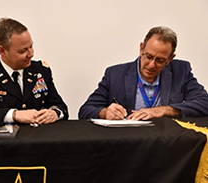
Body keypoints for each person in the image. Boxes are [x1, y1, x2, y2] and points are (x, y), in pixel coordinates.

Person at [79, 26, 208, 121]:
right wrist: (105, 112)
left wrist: (165, 110)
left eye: (160, 60)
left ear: (170, 59)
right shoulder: (115, 74)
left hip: (169, 144)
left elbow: (204, 103)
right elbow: (85, 110)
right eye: (149, 56)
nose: (151, 65)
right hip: (128, 143)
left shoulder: (181, 71)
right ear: (141, 48)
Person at [0, 18, 68, 126]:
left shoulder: (40, 70)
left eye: (31, 46)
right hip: (1, 142)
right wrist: (13, 115)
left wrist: (54, 113)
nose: (31, 53)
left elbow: (60, 106)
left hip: (37, 140)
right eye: (23, 51)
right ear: (2, 50)